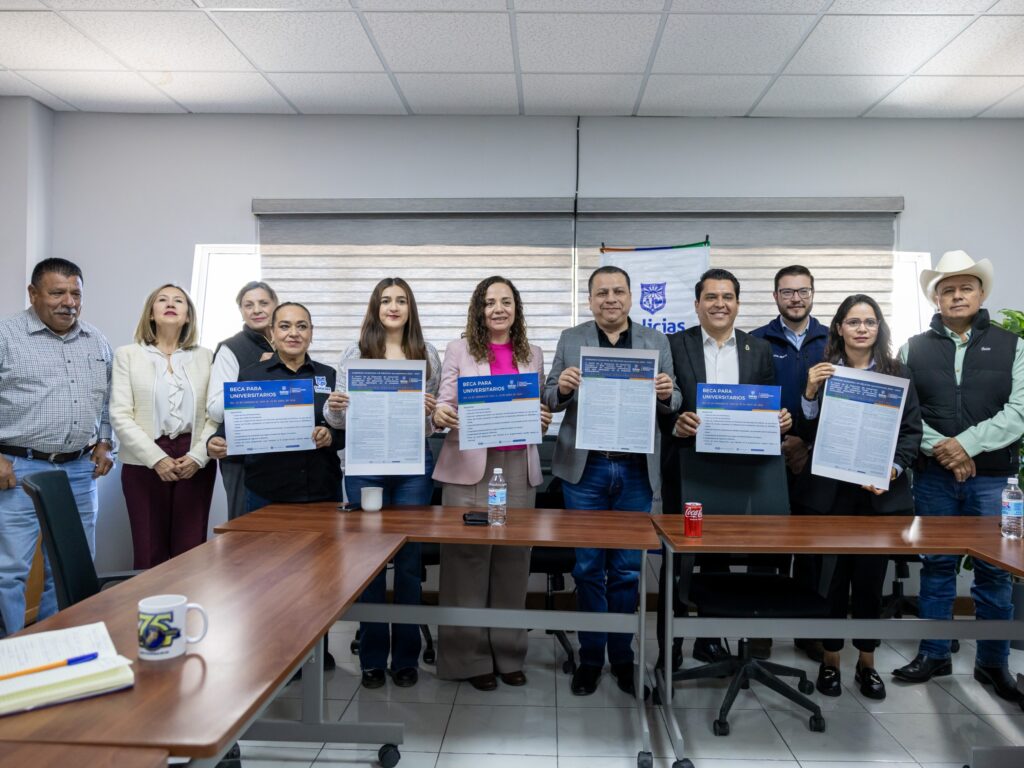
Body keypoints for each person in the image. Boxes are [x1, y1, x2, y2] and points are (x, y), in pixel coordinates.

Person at [892, 251, 1024, 704]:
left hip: (994, 480)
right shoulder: (912, 348)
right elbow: (906, 412)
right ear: (936, 298)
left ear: (981, 293)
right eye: (947, 289)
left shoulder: (1014, 345)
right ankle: (934, 653)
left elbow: (1019, 412)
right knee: (937, 566)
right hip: (933, 477)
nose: (957, 295)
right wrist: (946, 451)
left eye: (965, 287)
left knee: (995, 572)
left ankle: (994, 664)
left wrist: (966, 444)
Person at [543, 265, 680, 698]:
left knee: (626, 569)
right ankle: (589, 656)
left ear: (631, 297)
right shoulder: (571, 339)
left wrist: (665, 393)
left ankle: (622, 657)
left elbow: (674, 401)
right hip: (586, 469)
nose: (610, 299)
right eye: (601, 292)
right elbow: (548, 398)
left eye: (618, 291)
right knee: (587, 567)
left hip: (636, 468)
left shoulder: (655, 341)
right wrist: (562, 390)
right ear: (590, 299)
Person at [657, 268, 793, 674]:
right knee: (679, 561)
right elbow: (662, 401)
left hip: (742, 474)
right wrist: (674, 420)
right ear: (697, 304)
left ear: (737, 303)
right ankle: (671, 647)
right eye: (711, 297)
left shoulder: (759, 350)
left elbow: (767, 408)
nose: (720, 304)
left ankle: (711, 641)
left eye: (728, 297)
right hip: (687, 468)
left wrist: (780, 421)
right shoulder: (673, 345)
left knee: (722, 560)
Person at [797, 294, 922, 701]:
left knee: (869, 582)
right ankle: (830, 660)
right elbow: (805, 428)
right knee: (831, 580)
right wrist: (811, 393)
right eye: (854, 321)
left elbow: (910, 433)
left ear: (878, 327)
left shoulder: (898, 373)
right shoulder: (824, 371)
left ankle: (867, 662)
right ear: (839, 328)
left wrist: (893, 469)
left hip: (878, 495)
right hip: (831, 494)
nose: (862, 328)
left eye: (869, 321)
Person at [431, 276, 552, 691]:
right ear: (477, 310)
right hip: (469, 465)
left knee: (513, 564)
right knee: (465, 563)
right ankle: (467, 658)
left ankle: (508, 653)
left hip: (518, 466)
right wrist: (441, 416)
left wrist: (542, 416)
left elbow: (538, 407)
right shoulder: (458, 350)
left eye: (505, 302)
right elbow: (443, 406)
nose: (498, 309)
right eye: (489, 303)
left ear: (516, 308)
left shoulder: (532, 353)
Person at [208, 301, 341, 670]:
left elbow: (347, 431)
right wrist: (213, 443)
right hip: (267, 494)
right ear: (272, 333)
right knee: (269, 580)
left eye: (301, 326)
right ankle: (276, 656)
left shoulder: (329, 376)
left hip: (321, 493)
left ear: (311, 332)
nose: (293, 333)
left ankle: (317, 653)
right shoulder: (251, 376)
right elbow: (229, 428)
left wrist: (330, 436)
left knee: (320, 581)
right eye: (285, 326)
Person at [324, 277, 441, 690]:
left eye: (401, 300)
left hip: (412, 465)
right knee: (368, 563)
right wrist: (333, 407)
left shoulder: (426, 354)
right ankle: (373, 658)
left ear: (411, 309)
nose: (393, 307)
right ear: (375, 308)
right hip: (364, 465)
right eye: (385, 300)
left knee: (409, 563)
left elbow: (431, 425)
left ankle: (405, 656)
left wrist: (430, 411)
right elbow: (337, 421)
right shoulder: (354, 353)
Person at [0, 258, 114, 637]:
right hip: (17, 469)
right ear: (33, 294)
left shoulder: (96, 340)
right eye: (58, 292)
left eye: (76, 293)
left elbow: (105, 400)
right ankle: (11, 658)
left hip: (79, 471)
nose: (69, 301)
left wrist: (104, 441)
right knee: (9, 569)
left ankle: (60, 647)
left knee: (70, 565)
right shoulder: (6, 336)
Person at [751, 265, 829, 663]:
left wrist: (806, 443)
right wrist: (779, 441)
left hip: (816, 460)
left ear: (813, 294)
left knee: (811, 549)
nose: (795, 298)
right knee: (765, 546)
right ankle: (759, 631)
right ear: (775, 296)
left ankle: (808, 631)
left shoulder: (832, 341)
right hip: (767, 457)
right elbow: (748, 398)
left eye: (803, 291)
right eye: (787, 292)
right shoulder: (755, 341)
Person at [111, 284, 219, 569]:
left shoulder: (206, 356)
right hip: (143, 458)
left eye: (179, 301)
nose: (170, 303)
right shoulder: (127, 355)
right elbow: (120, 414)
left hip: (193, 456)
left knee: (191, 551)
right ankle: (151, 613)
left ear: (187, 316)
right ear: (151, 314)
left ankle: (190, 613)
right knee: (149, 551)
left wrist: (198, 457)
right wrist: (156, 459)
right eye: (162, 300)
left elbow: (215, 414)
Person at [206, 281, 278, 520]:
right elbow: (215, 410)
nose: (256, 310)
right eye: (249, 305)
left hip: (281, 454)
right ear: (241, 311)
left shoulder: (290, 343)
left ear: (276, 305)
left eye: (263, 303)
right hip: (240, 459)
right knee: (244, 534)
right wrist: (257, 375)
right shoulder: (230, 349)